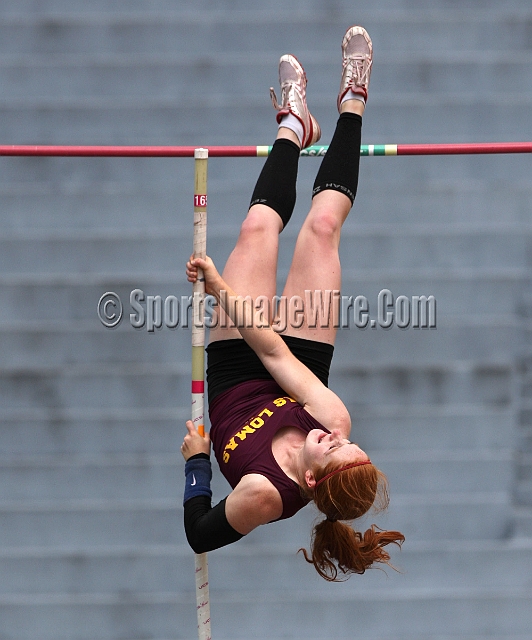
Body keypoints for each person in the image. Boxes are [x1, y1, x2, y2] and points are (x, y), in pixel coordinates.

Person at [182, 25, 405, 581]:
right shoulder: (332, 418)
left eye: (335, 448)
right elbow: (279, 358)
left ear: (311, 481)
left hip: (235, 374)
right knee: (322, 228)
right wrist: (220, 291)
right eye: (350, 441)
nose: (338, 433)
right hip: (291, 358)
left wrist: (196, 465)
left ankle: (290, 129)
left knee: (258, 229)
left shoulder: (263, 495)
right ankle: (352, 99)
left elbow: (198, 534)